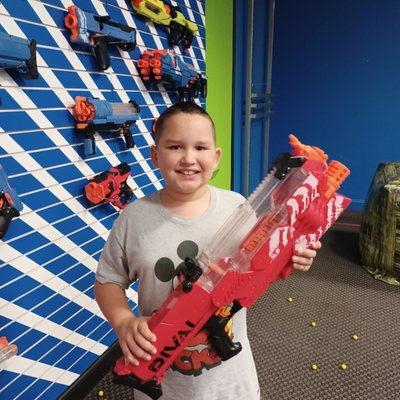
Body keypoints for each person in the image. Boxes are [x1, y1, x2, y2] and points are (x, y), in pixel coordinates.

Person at [95, 101, 322, 400]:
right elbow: (108, 281)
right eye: (175, 146)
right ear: (155, 155)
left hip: (230, 383)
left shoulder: (238, 207)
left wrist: (294, 256)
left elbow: (263, 263)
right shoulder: (133, 218)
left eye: (200, 148)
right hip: (165, 379)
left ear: (216, 158)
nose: (189, 158)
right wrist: (123, 321)